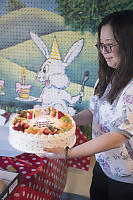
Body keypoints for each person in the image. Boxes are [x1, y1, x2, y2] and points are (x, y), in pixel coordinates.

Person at [41, 10, 133, 200]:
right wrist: (64, 121)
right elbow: (93, 112)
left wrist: (68, 153)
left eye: (109, 46)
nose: (104, 52)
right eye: (101, 45)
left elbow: (118, 136)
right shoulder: (108, 77)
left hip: (126, 177)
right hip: (104, 165)